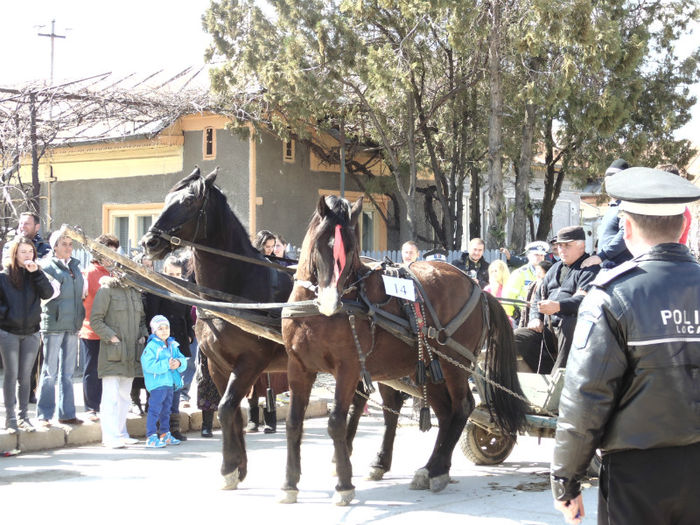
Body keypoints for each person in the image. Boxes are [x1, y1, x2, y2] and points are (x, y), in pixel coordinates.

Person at [551, 167, 700, 525]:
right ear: (686, 225)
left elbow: (586, 397)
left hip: (636, 474)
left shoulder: (611, 296)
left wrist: (566, 482)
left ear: (627, 228)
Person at [528, 226, 600, 370]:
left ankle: (559, 378)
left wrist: (558, 306)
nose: (562, 249)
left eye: (567, 245)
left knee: (570, 324)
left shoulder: (590, 269)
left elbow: (584, 301)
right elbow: (538, 295)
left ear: (582, 246)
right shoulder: (555, 268)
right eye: (559, 245)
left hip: (571, 331)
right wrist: (536, 317)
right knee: (518, 338)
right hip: (548, 329)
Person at [0, 237, 53, 431]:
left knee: (26, 377)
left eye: (30, 251)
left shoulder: (35, 274)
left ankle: (24, 417)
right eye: (23, 252)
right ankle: (10, 419)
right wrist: (6, 317)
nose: (27, 255)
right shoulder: (4, 276)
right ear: (15, 253)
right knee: (11, 375)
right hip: (9, 333)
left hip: (31, 332)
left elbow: (47, 293)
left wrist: (37, 274)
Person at [90, 273, 148, 448]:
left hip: (132, 353)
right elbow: (96, 320)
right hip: (113, 352)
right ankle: (109, 436)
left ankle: (121, 433)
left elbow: (142, 321)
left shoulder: (135, 292)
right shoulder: (106, 290)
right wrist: (112, 337)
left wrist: (143, 335)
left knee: (124, 396)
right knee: (110, 396)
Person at [36, 231, 86, 426]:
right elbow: (46, 295)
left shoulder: (75, 267)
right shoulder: (47, 267)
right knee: (50, 372)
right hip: (53, 325)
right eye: (63, 244)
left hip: (72, 325)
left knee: (67, 373)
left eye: (70, 244)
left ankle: (66, 413)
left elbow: (82, 293)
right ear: (54, 246)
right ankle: (44, 414)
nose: (68, 247)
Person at [144, 255, 194, 442]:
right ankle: (158, 429)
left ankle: (173, 428)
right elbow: (152, 315)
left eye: (178, 274)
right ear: (164, 272)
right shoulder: (157, 289)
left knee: (175, 386)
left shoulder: (183, 290)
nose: (174, 277)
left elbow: (188, 315)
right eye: (170, 273)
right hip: (162, 341)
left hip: (178, 341)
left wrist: (190, 333)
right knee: (162, 389)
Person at [79, 234, 120, 422]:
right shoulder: (89, 273)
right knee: (92, 370)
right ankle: (91, 407)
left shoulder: (115, 273)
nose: (112, 256)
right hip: (92, 330)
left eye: (114, 252)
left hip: (113, 332)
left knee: (110, 372)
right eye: (108, 252)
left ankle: (107, 406)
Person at [141, 315, 187, 448]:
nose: (164, 331)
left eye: (166, 328)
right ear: (154, 331)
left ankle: (165, 434)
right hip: (157, 384)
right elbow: (148, 365)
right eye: (160, 328)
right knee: (154, 410)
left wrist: (178, 363)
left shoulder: (172, 345)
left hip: (169, 383)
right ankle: (151, 436)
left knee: (167, 410)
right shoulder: (152, 346)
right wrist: (166, 364)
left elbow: (182, 359)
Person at [581, 159, 631, 269]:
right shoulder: (613, 207)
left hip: (620, 267)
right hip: (607, 265)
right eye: (606, 181)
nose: (608, 185)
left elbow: (625, 233)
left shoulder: (626, 205)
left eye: (613, 181)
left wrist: (602, 256)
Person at [502, 241, 549, 319]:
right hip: (523, 317)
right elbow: (508, 297)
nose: (539, 257)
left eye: (542, 255)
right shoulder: (519, 273)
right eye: (536, 254)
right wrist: (514, 315)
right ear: (529, 256)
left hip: (542, 317)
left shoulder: (548, 273)